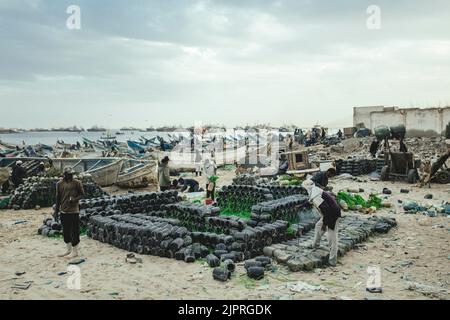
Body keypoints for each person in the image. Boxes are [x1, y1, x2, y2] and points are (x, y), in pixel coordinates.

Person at [302, 180, 341, 266]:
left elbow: (326, 210)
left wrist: (324, 224)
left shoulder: (316, 196)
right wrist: (300, 206)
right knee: (317, 226)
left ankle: (332, 261)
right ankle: (315, 245)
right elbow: (310, 201)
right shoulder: (315, 190)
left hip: (333, 215)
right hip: (329, 213)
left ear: (307, 188)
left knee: (332, 238)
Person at [55, 167, 85, 258]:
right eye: (69, 174)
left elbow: (82, 195)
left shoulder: (77, 183)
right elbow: (57, 198)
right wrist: (56, 212)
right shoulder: (59, 184)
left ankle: (75, 251)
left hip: (74, 211)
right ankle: (68, 250)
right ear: (65, 174)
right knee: (66, 231)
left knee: (75, 231)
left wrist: (75, 199)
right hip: (64, 211)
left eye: (72, 174)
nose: (71, 176)